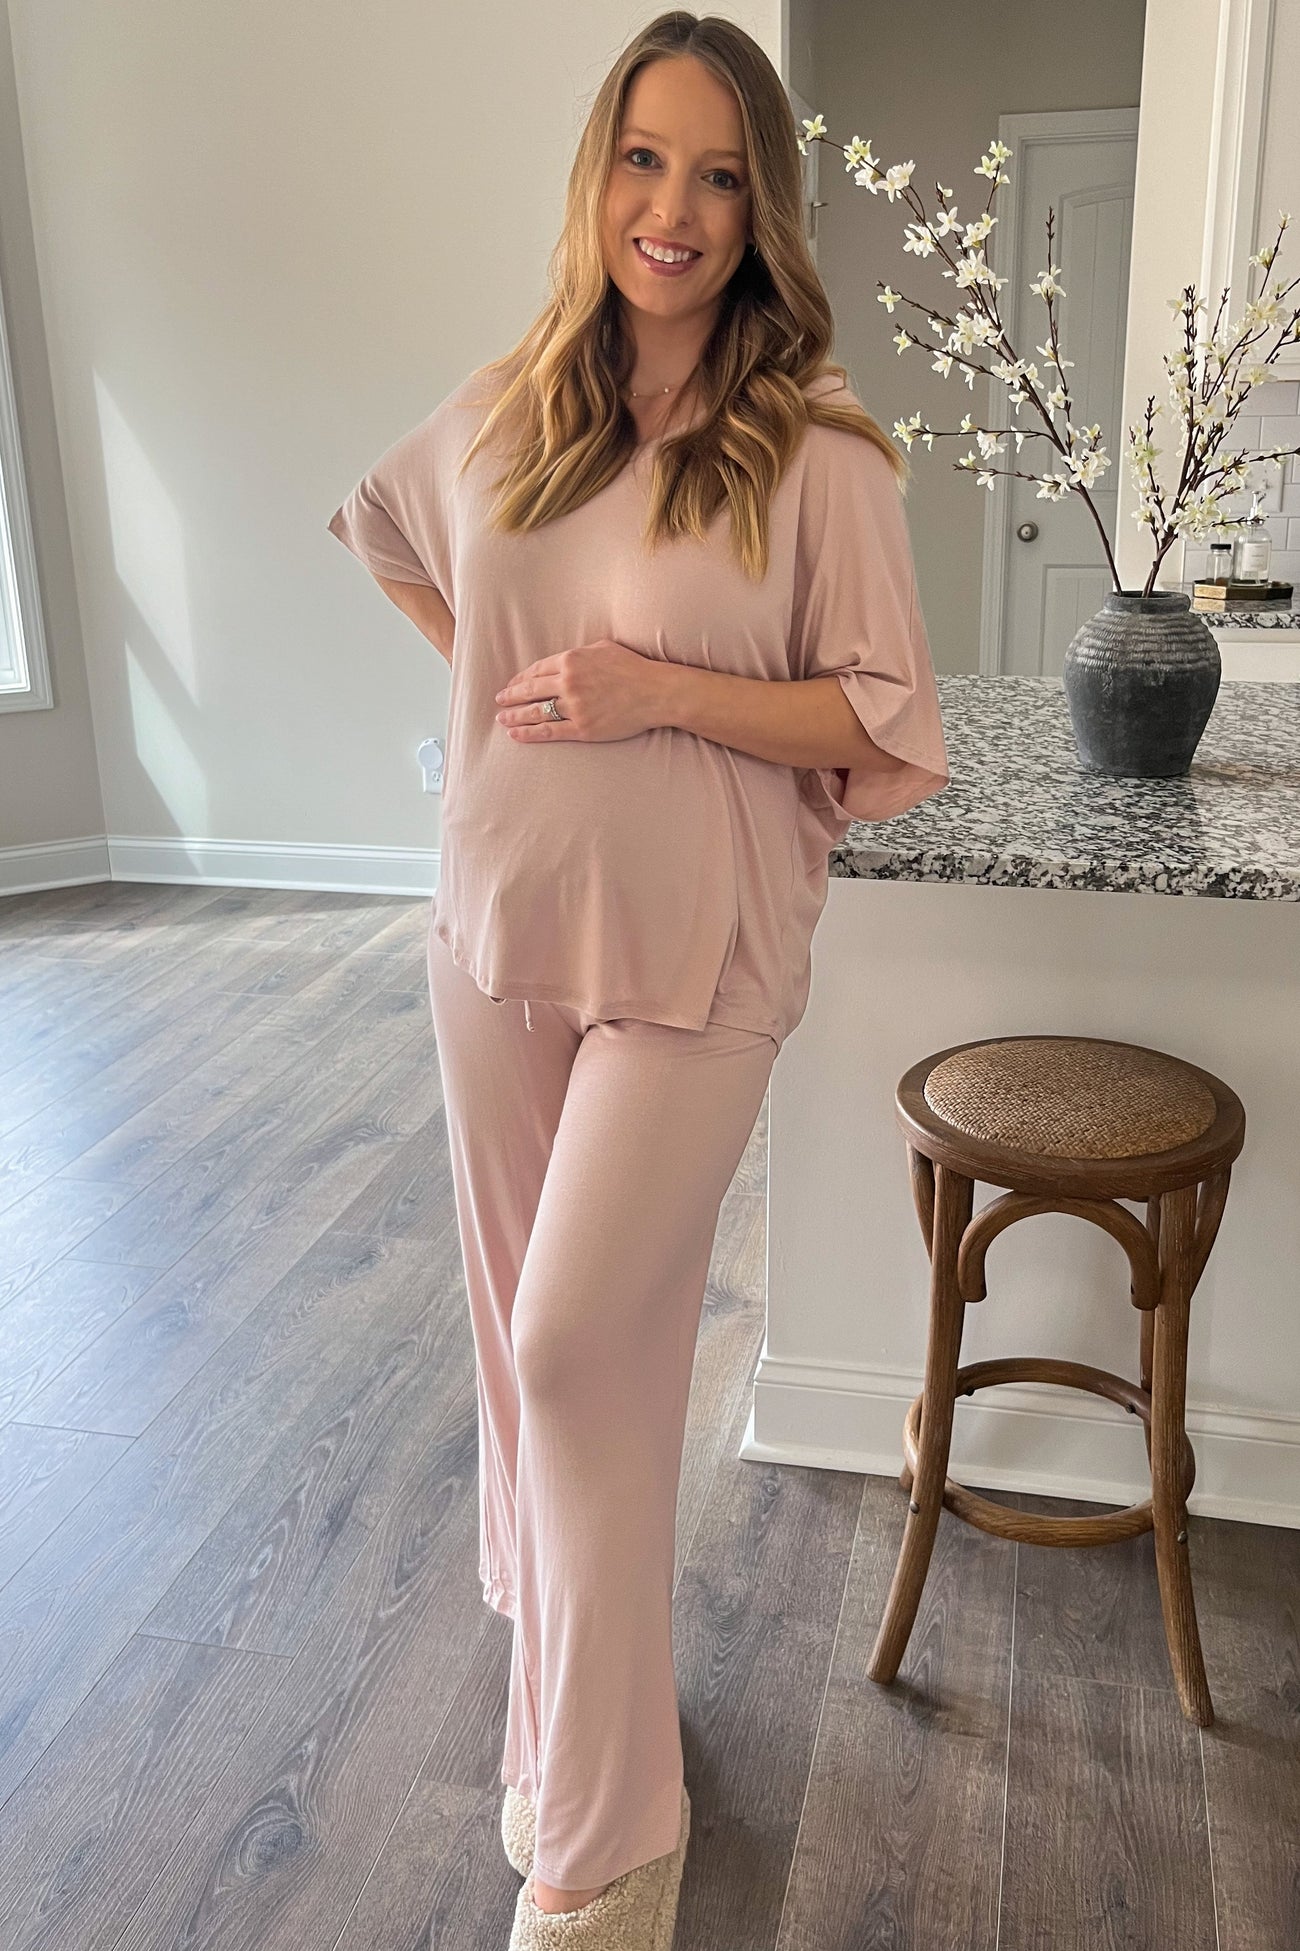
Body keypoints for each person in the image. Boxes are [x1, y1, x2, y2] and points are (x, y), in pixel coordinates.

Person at [327, 13, 949, 1946]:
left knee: (575, 1347)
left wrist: (650, 691)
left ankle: (604, 1849)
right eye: (644, 159)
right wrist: (491, 690)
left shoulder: (816, 447)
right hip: (495, 934)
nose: (673, 209)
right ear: (598, 174)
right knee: (537, 1360)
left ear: (763, 211)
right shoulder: (509, 406)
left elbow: (882, 720)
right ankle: (568, 1701)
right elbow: (385, 532)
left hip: (700, 959)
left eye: (720, 175)